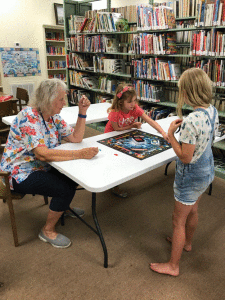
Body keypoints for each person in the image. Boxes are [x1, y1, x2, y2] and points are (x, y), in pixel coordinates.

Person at [0, 78, 99, 249]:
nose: (64, 103)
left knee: (74, 176)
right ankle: (47, 230)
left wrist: (82, 112)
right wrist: (80, 154)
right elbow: (43, 154)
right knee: (64, 188)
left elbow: (76, 138)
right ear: (47, 98)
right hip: (18, 172)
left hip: (41, 165)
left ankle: (63, 207)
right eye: (61, 99)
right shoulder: (28, 117)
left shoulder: (54, 117)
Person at [150, 68, 219, 276]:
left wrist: (171, 135)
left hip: (191, 175)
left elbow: (185, 156)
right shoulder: (213, 110)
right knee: (193, 209)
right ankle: (187, 242)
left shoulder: (190, 121)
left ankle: (173, 265)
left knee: (177, 220)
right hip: (206, 171)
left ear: (188, 93)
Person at [104, 83, 169, 197]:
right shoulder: (114, 112)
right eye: (129, 102)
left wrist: (163, 132)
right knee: (115, 161)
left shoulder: (135, 108)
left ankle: (118, 180)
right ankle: (114, 186)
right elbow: (117, 129)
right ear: (120, 102)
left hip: (125, 135)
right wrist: (132, 126)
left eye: (134, 100)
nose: (133, 104)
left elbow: (150, 121)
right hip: (111, 136)